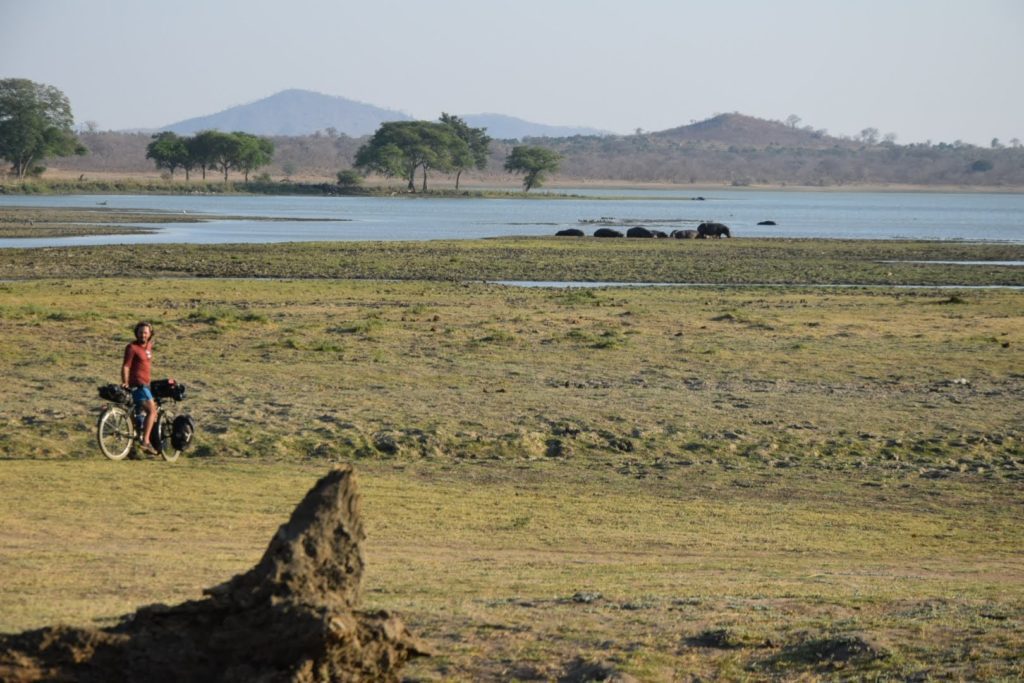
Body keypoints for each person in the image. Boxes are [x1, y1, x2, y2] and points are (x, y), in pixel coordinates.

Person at [122, 321, 158, 454]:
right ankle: (146, 442)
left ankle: (133, 446)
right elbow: (126, 366)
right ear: (136, 333)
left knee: (139, 417)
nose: (143, 335)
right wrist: (125, 382)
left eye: (145, 333)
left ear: (149, 335)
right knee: (152, 411)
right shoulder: (132, 348)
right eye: (140, 332)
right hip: (138, 384)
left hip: (147, 385)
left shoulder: (149, 346)